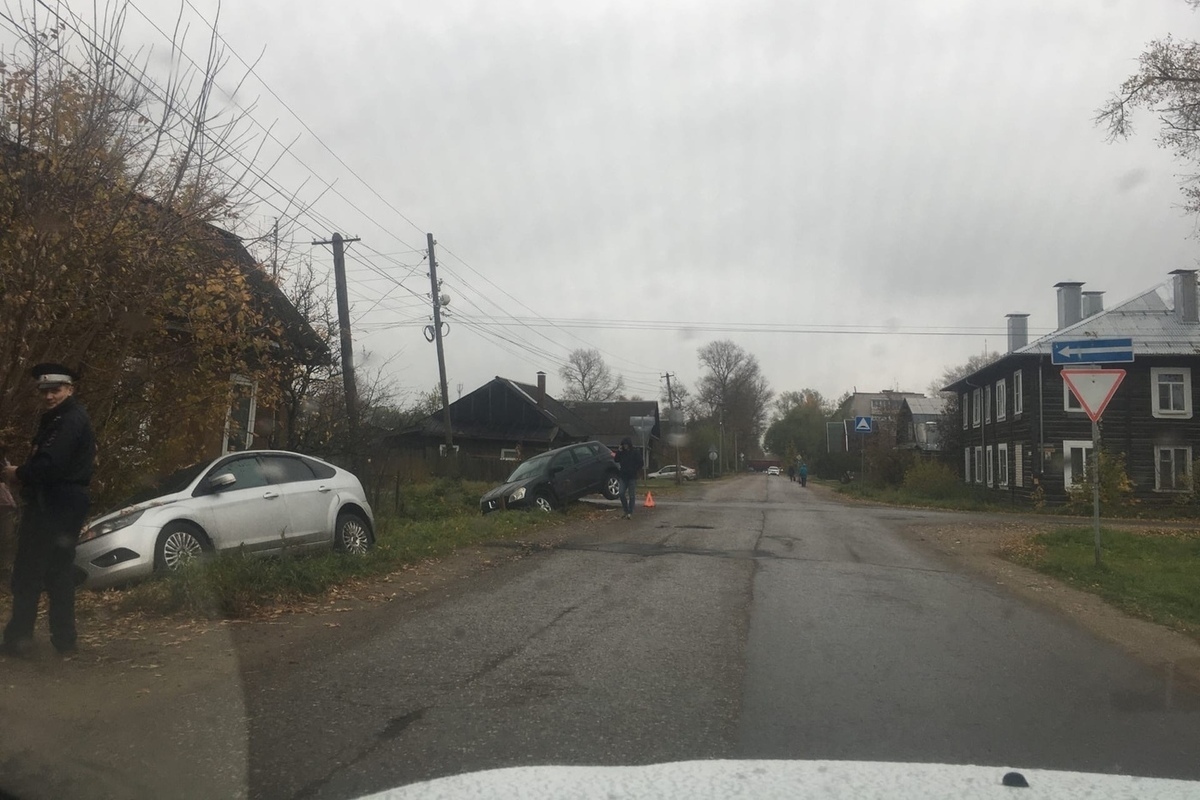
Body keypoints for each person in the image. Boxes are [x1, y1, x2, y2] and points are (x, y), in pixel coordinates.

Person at [2, 363, 96, 657]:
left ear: (70, 389)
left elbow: (50, 465)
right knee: (58, 572)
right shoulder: (61, 418)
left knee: (29, 573)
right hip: (61, 501)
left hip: (55, 503)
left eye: (55, 390)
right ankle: (64, 641)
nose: (49, 396)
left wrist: (19, 473)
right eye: (44, 391)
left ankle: (19, 641)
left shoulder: (68, 419)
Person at [614, 437, 640, 520]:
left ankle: (630, 512)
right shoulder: (622, 453)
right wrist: (619, 451)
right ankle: (626, 510)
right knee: (621, 493)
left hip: (632, 476)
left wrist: (635, 470)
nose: (625, 446)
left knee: (631, 495)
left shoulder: (635, 452)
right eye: (624, 445)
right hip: (623, 476)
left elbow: (640, 462)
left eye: (626, 445)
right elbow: (616, 460)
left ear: (629, 445)